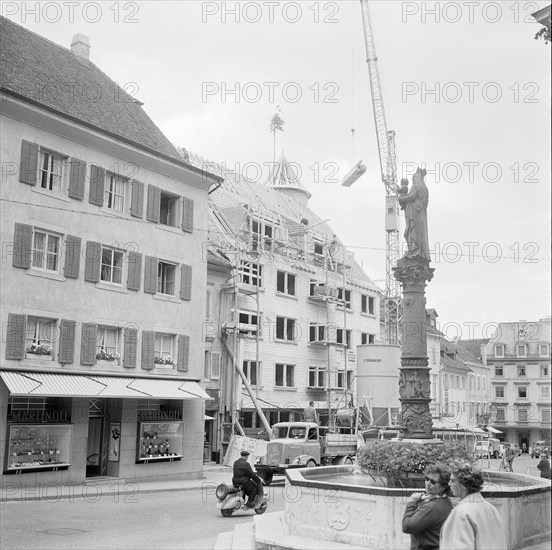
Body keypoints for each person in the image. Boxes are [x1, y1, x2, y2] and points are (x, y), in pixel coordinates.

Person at [440, 461, 506, 550]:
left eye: (452, 480)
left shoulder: (462, 513)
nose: (449, 484)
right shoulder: (492, 509)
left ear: (463, 484)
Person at [402, 463, 453, 550]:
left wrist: (412, 503)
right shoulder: (446, 501)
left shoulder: (432, 507)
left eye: (433, 482)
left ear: (444, 486)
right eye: (427, 479)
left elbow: (407, 526)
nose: (428, 483)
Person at [398, 167, 430, 262]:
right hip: (418, 215)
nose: (413, 180)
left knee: (412, 232)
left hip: (414, 215)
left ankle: (414, 250)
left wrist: (401, 199)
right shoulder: (424, 187)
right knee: (415, 233)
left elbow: (411, 197)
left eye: (414, 178)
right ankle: (415, 249)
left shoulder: (417, 186)